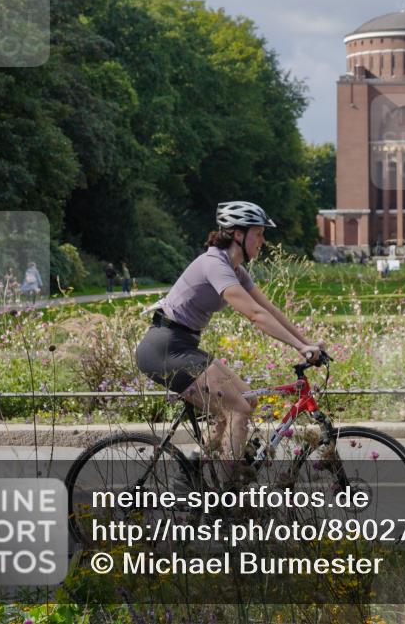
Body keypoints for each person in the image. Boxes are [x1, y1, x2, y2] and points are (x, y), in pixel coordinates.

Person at [135, 201, 325, 477]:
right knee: (237, 409)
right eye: (258, 233)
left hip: (182, 345)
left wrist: (306, 343)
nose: (263, 240)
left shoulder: (235, 269)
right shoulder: (214, 265)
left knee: (248, 401)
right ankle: (229, 491)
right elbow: (255, 315)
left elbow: (269, 309)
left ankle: (193, 471)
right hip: (164, 349)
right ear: (238, 234)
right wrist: (300, 347)